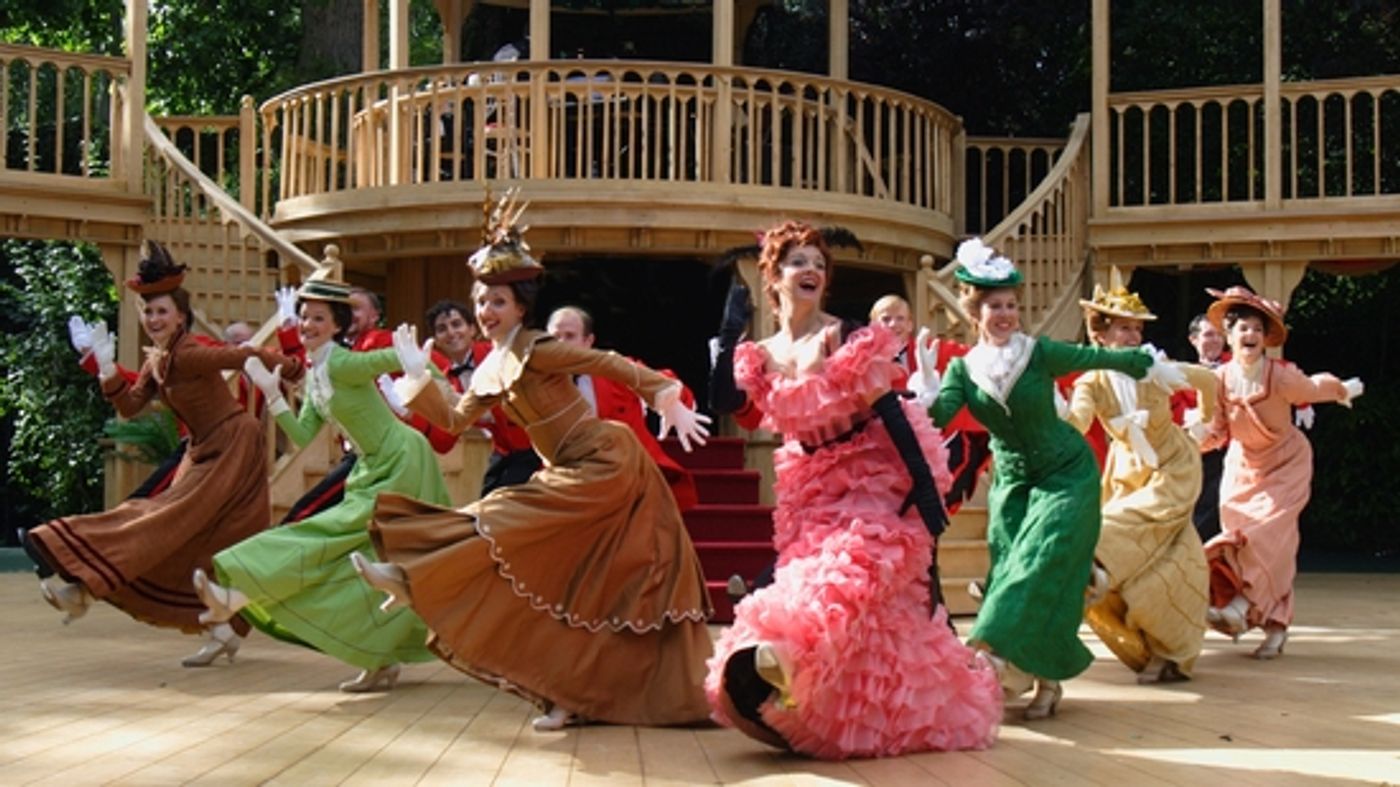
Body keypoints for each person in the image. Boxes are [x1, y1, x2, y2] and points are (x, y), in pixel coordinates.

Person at [356, 190, 714, 729]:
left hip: (605, 464)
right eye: (480, 301)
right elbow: (453, 419)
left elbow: (606, 361)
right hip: (569, 468)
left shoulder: (539, 348)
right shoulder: (492, 366)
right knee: (576, 590)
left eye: (497, 301)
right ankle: (569, 695)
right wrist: (418, 377)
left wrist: (663, 394)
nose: (485, 311)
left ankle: (416, 577)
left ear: (521, 306)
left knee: (499, 515)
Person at [704, 220, 1001, 759]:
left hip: (873, 469)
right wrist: (727, 338)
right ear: (774, 277)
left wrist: (927, 490)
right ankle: (845, 706)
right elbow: (730, 405)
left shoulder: (843, 337)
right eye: (798, 261)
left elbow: (889, 410)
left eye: (818, 262)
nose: (811, 269)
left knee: (851, 570)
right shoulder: (761, 353)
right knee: (851, 601)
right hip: (808, 481)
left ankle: (785, 660)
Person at [915, 238, 1171, 720]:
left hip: (1065, 472)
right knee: (1011, 574)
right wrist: (926, 395)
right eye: (995, 306)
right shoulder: (963, 369)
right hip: (1011, 482)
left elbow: (1093, 358)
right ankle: (1047, 680)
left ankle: (990, 662)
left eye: (1012, 305)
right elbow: (941, 416)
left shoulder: (1037, 352)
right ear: (975, 311)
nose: (1006, 313)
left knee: (1037, 564)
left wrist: (1140, 361)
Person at [21, 241, 303, 667]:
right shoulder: (158, 361)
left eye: (162, 312)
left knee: (165, 518)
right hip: (204, 449)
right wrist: (107, 366)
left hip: (233, 445)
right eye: (148, 312)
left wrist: (296, 367)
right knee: (207, 542)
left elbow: (244, 354)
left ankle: (75, 568)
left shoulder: (189, 352)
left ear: (180, 315)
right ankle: (221, 629)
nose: (153, 319)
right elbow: (131, 406)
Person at [192, 279, 449, 691]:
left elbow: (410, 360)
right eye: (305, 316)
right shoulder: (314, 377)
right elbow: (301, 433)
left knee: (330, 536)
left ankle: (239, 595)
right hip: (369, 469)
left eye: (318, 318)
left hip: (403, 460)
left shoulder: (345, 363)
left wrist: (425, 373)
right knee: (354, 567)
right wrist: (273, 396)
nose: (308, 324)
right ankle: (378, 657)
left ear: (336, 326)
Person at [1199, 286, 1363, 659]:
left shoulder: (1280, 375)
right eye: (1243, 328)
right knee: (1237, 541)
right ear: (1230, 335)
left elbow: (1313, 387)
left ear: (1266, 337)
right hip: (1242, 467)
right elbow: (1217, 430)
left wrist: (1341, 389)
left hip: (1285, 464)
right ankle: (1250, 611)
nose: (1250, 335)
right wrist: (1186, 442)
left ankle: (1258, 615)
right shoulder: (1219, 379)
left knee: (1271, 541)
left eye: (1257, 328)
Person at [1065, 279, 1214, 684]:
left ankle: (1078, 576)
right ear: (1100, 334)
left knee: (1111, 533)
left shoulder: (1155, 368)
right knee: (1170, 562)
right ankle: (1163, 650)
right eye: (1123, 328)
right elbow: (1077, 422)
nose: (1133, 336)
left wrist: (1203, 422)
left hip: (1172, 467)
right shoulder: (1091, 382)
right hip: (1126, 475)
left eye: (1137, 329)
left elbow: (1208, 381)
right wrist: (1050, 417)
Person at [274, 286, 458, 523]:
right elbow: (312, 374)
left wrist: (444, 394)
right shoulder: (331, 357)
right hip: (363, 457)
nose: (354, 314)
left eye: (357, 309)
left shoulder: (377, 342)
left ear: (374, 315)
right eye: (304, 316)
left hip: (391, 452)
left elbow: (418, 359)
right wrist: (273, 395)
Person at [547, 305, 699, 512]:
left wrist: (674, 401)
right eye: (555, 337)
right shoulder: (537, 382)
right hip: (572, 477)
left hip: (629, 473)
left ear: (588, 342)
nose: (562, 344)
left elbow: (662, 381)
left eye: (570, 336)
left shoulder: (613, 367)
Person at [870, 294, 991, 514]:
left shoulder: (929, 350)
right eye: (886, 319)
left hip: (934, 448)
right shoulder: (861, 361)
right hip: (883, 451)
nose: (893, 325)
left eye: (900, 319)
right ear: (872, 324)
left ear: (910, 324)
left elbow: (980, 360)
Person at [427, 298, 542, 492]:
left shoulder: (498, 354)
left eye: (456, 324)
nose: (451, 332)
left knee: (504, 506)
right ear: (436, 340)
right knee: (486, 500)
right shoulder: (447, 381)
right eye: (442, 329)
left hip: (534, 444)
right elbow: (445, 440)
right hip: (504, 449)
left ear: (472, 329)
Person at [1179, 314, 1229, 542]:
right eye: (1209, 334)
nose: (1216, 340)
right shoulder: (1182, 373)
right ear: (1194, 339)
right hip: (1192, 452)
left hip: (1228, 451)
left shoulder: (1237, 368)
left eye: (1220, 335)